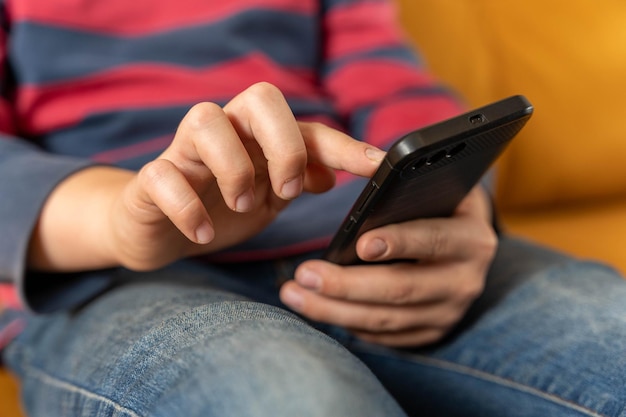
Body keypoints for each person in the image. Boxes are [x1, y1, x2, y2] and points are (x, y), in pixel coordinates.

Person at [1, 0, 625, 416]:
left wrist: (458, 208)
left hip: (358, 241)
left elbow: (391, 84)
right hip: (104, 277)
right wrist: (121, 219)